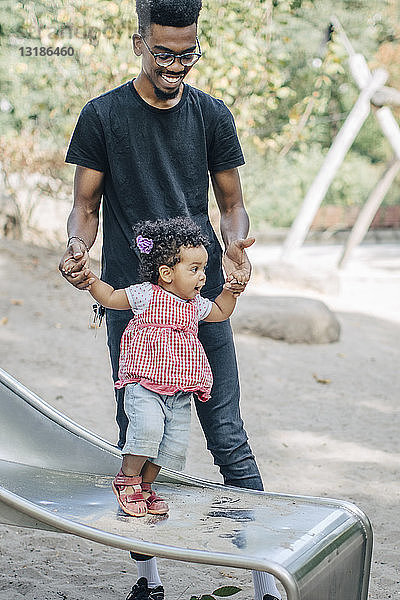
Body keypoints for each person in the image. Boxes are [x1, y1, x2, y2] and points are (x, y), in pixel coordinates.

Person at [59, 0, 281, 598]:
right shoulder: (102, 116)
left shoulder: (212, 115)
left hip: (199, 295)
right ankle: (147, 579)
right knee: (140, 434)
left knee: (227, 432)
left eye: (188, 54)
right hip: (132, 304)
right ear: (138, 43)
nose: (176, 65)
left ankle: (263, 579)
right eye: (163, 53)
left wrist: (236, 248)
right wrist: (78, 251)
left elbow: (232, 204)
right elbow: (85, 207)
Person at [66, 216, 245, 517]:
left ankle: (146, 488)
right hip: (145, 383)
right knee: (146, 431)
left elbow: (220, 312)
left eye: (203, 269)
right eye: (195, 269)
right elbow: (110, 297)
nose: (203, 277)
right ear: (166, 272)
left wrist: (231, 290)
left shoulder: (195, 304)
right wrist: (91, 281)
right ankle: (127, 479)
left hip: (179, 390)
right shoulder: (145, 294)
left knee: (171, 447)